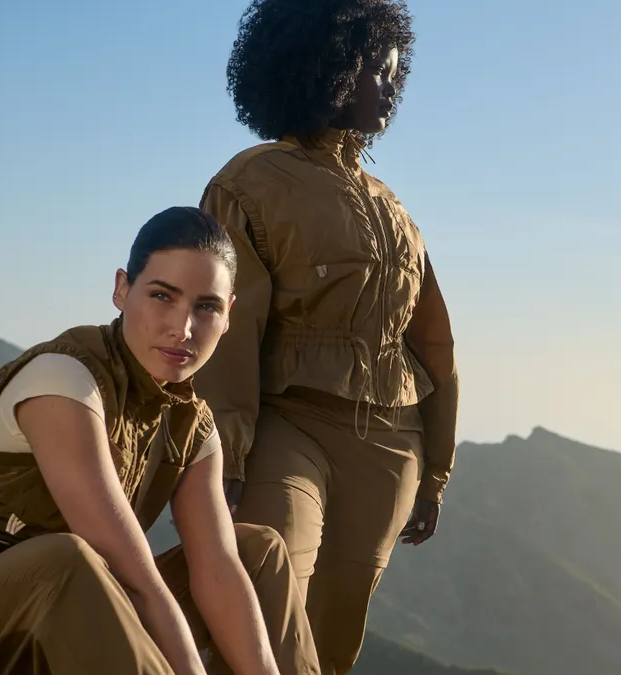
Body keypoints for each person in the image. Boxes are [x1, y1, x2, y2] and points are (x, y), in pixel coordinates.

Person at [0, 207, 321, 675]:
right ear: (121, 290)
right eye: (161, 296)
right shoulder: (65, 380)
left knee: (256, 554)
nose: (182, 328)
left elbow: (217, 573)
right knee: (65, 561)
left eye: (205, 306)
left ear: (229, 314)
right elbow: (136, 582)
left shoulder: (192, 426)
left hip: (31, 628)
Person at [195, 1, 459, 672]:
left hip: (391, 446)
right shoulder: (248, 183)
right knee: (266, 583)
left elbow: (431, 343)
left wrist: (435, 472)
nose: (392, 86)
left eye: (398, 72)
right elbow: (227, 328)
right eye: (378, 69)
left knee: (334, 630)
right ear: (328, 68)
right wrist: (224, 456)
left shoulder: (393, 209)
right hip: (290, 425)